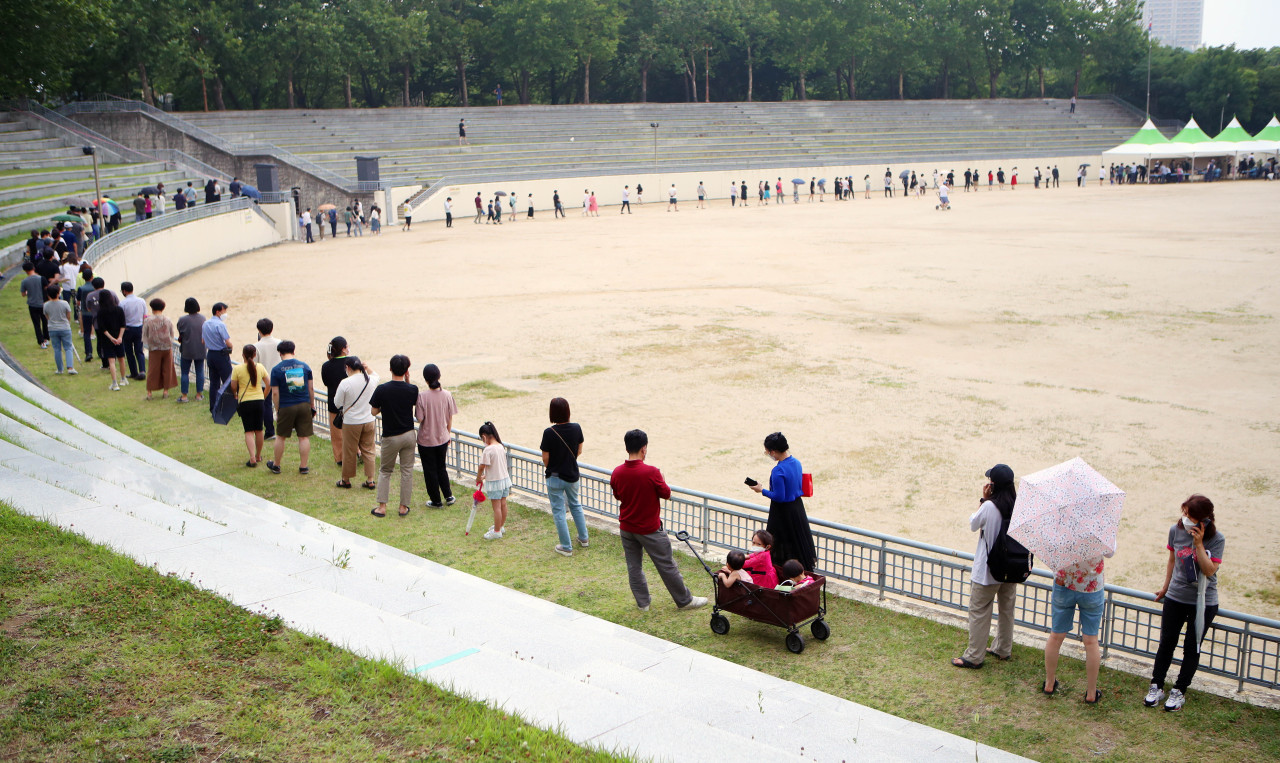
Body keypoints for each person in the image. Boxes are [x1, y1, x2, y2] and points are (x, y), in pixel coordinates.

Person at [1145, 495, 1225, 712]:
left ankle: (1179, 691)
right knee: (1166, 643)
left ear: (1205, 520)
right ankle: (1157, 686)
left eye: (1191, 515)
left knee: (1192, 648)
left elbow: (1209, 570)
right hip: (1176, 597)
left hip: (1203, 602)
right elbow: (1172, 561)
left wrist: (1198, 544)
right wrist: (1165, 587)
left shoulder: (1217, 539)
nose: (1185, 518)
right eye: (1185, 513)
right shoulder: (1175, 531)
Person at [610, 429, 706, 612]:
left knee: (634, 566)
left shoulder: (617, 472)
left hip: (627, 527)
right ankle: (684, 601)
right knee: (667, 565)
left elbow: (618, 495)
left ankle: (643, 604)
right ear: (644, 449)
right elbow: (666, 494)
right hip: (650, 529)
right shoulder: (651, 472)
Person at [952, 464, 1018, 670]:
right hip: (1011, 568)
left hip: (988, 571)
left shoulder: (990, 506)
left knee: (979, 611)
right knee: (1007, 609)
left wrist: (984, 499)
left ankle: (974, 656)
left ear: (992, 485)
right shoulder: (1018, 505)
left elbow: (973, 524)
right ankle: (1003, 648)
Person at [1043, 552, 1110, 703]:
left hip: (1063, 583)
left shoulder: (1062, 528)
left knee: (1055, 636)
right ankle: (1091, 693)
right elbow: (1110, 552)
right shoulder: (1098, 529)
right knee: (1091, 641)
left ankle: (1049, 683)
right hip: (1092, 588)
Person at [748, 432, 816, 573]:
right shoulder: (796, 463)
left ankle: (778, 572)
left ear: (773, 451)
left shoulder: (778, 471)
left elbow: (779, 496)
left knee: (778, 545)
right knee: (797, 544)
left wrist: (761, 490)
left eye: (767, 451)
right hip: (797, 508)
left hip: (782, 512)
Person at [370, 354, 418, 517]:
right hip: (409, 435)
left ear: (390, 369)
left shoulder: (382, 389)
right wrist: (408, 381)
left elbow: (373, 411)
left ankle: (382, 507)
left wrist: (385, 406)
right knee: (407, 471)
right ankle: (403, 507)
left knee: (385, 471)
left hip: (391, 436)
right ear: (406, 371)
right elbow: (411, 399)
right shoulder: (412, 389)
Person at [540, 397, 587, 556]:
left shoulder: (549, 432)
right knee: (575, 504)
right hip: (572, 474)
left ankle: (566, 547)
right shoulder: (576, 428)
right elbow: (579, 451)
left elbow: (545, 457)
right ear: (568, 411)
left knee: (559, 511)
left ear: (552, 412)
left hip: (554, 476)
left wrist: (553, 467)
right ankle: (584, 538)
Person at [266, 340, 315, 475]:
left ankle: (276, 465)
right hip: (304, 404)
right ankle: (303, 466)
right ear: (294, 351)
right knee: (304, 437)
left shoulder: (276, 370)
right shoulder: (305, 367)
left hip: (286, 406)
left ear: (280, 353)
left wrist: (277, 408)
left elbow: (275, 392)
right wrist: (312, 405)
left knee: (281, 436)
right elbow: (310, 388)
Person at [415, 363, 458, 508]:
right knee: (441, 467)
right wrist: (448, 433)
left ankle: (436, 500)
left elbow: (420, 419)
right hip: (442, 437)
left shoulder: (422, 397)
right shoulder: (447, 395)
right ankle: (448, 495)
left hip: (426, 440)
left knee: (430, 471)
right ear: (439, 376)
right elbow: (450, 417)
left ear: (425, 379)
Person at [333, 357, 378, 490]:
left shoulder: (345, 383)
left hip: (351, 422)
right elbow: (376, 375)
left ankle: (346, 479)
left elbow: (337, 403)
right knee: (369, 450)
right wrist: (368, 368)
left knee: (349, 450)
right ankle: (370, 479)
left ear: (348, 368)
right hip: (369, 419)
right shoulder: (370, 380)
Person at [230, 344, 268, 467]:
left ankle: (252, 457)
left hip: (245, 401)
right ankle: (258, 455)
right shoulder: (260, 367)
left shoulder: (237, 369)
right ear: (255, 355)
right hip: (258, 400)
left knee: (249, 431)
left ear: (243, 355)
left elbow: (233, 386)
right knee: (259, 430)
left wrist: (236, 395)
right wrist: (263, 395)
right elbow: (269, 383)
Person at [474, 422, 511, 540]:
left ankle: (496, 531)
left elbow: (482, 466)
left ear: (484, 436)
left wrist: (479, 477)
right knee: (503, 504)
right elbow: (496, 466)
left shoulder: (488, 450)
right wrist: (485, 476)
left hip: (495, 482)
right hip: (504, 480)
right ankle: (500, 526)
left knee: (496, 508)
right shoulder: (501, 446)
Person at [320, 336, 350, 466]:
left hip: (334, 403)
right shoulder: (352, 362)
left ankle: (339, 458)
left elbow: (326, 382)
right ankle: (356, 453)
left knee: (336, 434)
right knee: (352, 432)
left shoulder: (326, 366)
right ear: (343, 349)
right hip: (351, 402)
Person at [141, 298, 177, 399]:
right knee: (167, 369)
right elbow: (172, 334)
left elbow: (144, 334)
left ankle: (149, 392)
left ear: (152, 308)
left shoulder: (148, 320)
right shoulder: (167, 319)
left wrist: (146, 345)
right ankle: (165, 391)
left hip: (154, 348)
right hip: (166, 347)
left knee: (153, 370)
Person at [202, 302, 233, 415]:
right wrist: (231, 347)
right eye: (224, 311)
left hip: (211, 355)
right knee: (228, 382)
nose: (225, 313)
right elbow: (228, 342)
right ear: (218, 312)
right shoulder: (220, 325)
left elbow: (203, 341)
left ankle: (214, 408)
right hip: (221, 355)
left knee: (214, 383)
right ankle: (228, 407)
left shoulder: (205, 324)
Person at [254, 319, 281, 440]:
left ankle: (270, 431)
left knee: (266, 405)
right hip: (279, 379)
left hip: (263, 381)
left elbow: (254, 366)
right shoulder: (279, 343)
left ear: (259, 331)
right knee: (281, 403)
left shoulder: (256, 346)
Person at [96, 290, 128, 391]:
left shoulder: (100, 312)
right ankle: (123, 379)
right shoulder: (119, 309)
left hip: (107, 339)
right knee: (121, 359)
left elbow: (102, 328)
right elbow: (123, 324)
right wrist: (120, 337)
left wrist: (111, 338)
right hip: (119, 338)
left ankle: (115, 383)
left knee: (111, 361)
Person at [176, 298, 205, 403]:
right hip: (200, 348)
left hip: (187, 348)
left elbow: (180, 332)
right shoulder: (203, 318)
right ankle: (199, 394)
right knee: (200, 371)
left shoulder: (182, 319)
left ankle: (184, 396)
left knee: (184, 372)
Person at [118, 282, 147, 381]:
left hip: (128, 329)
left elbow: (121, 318)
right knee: (139, 350)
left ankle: (134, 372)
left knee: (129, 351)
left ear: (124, 291)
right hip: (139, 328)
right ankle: (142, 370)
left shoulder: (122, 303)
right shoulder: (141, 301)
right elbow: (145, 315)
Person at [43, 286, 75, 375]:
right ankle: (70, 367)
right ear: (58, 293)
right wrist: (67, 323)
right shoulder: (64, 303)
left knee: (57, 349)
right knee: (68, 348)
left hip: (52, 328)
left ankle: (60, 369)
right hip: (65, 327)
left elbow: (47, 317)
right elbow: (68, 315)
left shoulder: (46, 305)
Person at [19, 261, 49, 348]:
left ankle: (41, 342)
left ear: (25, 271)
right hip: (42, 303)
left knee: (36, 324)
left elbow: (23, 294)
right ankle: (46, 338)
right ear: (33, 268)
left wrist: (28, 291)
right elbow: (46, 288)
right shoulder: (41, 278)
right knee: (45, 321)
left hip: (32, 305)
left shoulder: (24, 281)